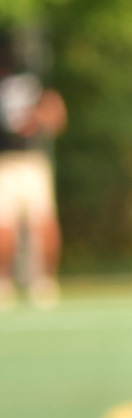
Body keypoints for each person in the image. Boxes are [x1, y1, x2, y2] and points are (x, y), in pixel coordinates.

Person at [0, 34, 67, 308]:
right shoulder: (30, 78)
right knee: (6, 225)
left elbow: (55, 113)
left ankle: (44, 282)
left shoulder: (30, 79)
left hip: (29, 160)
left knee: (41, 221)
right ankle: (8, 283)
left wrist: (37, 122)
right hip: (6, 161)